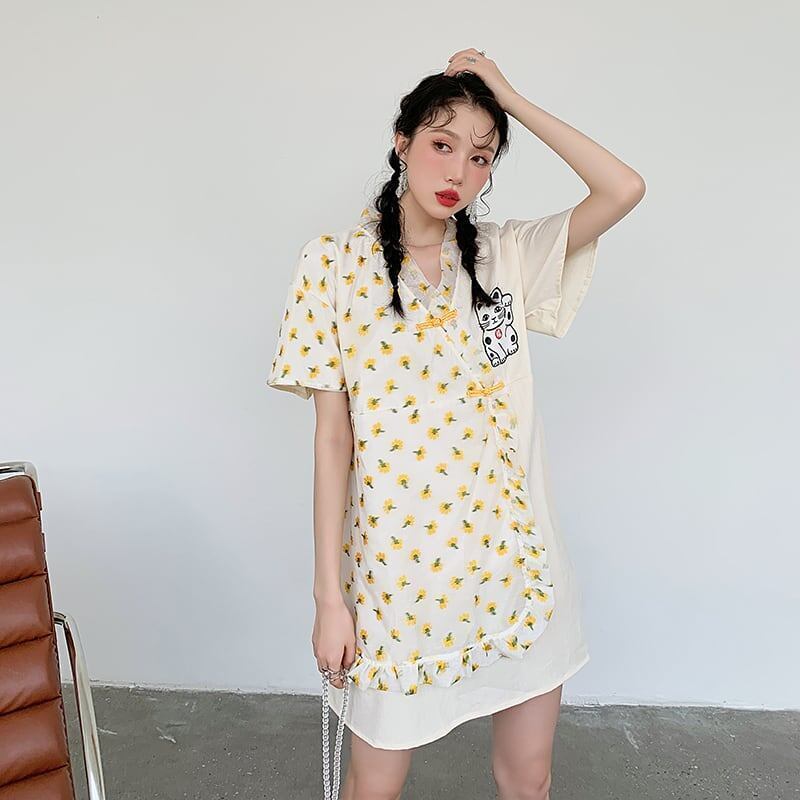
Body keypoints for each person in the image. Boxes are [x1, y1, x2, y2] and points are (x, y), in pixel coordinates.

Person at [266, 47, 644, 800]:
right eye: (442, 145)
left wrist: (508, 96)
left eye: (481, 157)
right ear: (401, 142)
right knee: (373, 787)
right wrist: (329, 599)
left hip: (519, 576)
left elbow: (623, 187)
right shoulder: (333, 267)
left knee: (528, 781)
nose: (458, 173)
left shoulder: (503, 259)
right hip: (398, 588)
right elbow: (333, 441)